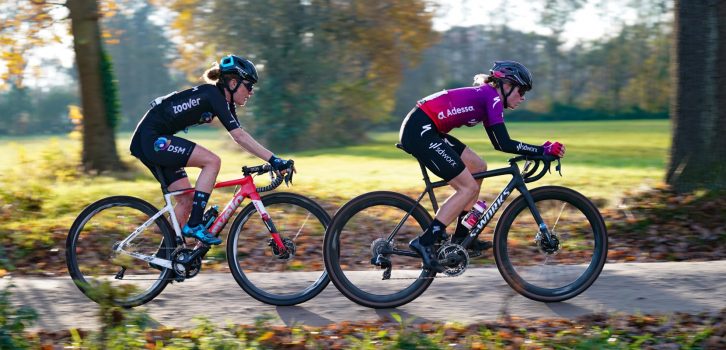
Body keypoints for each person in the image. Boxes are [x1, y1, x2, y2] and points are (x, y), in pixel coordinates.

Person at [399, 60, 566, 272]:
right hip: (420, 130)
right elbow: (504, 144)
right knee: (467, 187)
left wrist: (538, 150)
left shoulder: (489, 97)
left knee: (478, 167)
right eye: (521, 90)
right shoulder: (492, 97)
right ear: (506, 85)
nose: (523, 97)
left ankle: (461, 237)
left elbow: (498, 143)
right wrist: (541, 150)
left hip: (426, 128)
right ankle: (425, 241)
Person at [130, 54, 295, 245]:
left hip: (152, 139)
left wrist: (272, 159)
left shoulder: (222, 101)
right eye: (249, 86)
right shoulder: (213, 95)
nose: (251, 92)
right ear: (233, 82)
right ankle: (194, 224)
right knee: (212, 161)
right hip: (151, 139)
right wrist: (275, 160)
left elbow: (241, 136)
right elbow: (239, 137)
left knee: (186, 200)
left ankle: (168, 257)